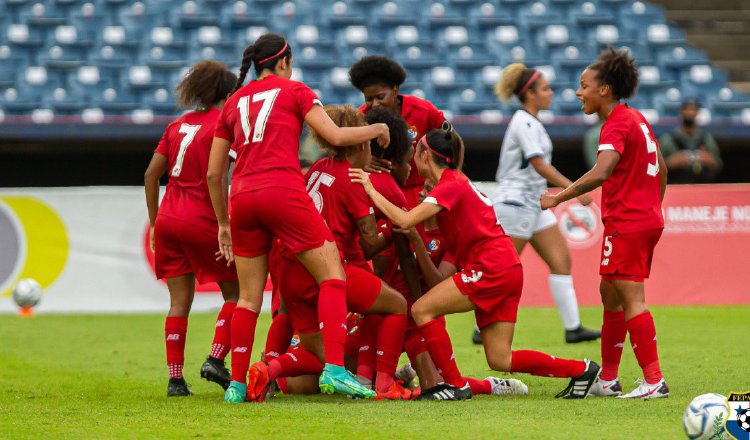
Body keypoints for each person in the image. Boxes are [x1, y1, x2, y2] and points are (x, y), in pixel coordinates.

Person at [351, 128, 600, 401]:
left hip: (490, 266)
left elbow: (406, 220)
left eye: (416, 150)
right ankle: (582, 369)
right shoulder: (457, 182)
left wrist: (370, 188)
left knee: (422, 309)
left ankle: (456, 385)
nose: (412, 157)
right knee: (500, 358)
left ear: (424, 156)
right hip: (507, 268)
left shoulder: (450, 184)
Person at [206, 33, 389, 403]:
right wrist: (377, 129)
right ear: (285, 61)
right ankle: (336, 371)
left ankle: (238, 386)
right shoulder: (295, 91)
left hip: (241, 196)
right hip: (282, 191)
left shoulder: (233, 103)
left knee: (248, 298)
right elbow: (335, 135)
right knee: (332, 274)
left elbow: (213, 174)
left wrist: (223, 223)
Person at [245, 105, 412, 401]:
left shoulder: (319, 168)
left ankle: (268, 369)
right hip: (324, 269)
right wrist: (395, 223)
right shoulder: (353, 179)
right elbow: (371, 242)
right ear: (359, 145)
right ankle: (385, 382)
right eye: (368, 148)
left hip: (291, 267)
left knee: (314, 350)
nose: (371, 156)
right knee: (396, 304)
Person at [541, 48, 670, 399]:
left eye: (584, 85)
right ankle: (609, 379)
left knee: (629, 296)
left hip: (629, 221)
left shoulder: (616, 124)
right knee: (609, 291)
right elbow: (661, 165)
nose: (578, 92)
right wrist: (652, 209)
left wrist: (558, 197)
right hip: (639, 219)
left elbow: (602, 172)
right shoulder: (637, 119)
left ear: (605, 90)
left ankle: (654, 380)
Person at [484, 63, 601, 345]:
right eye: (546, 88)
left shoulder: (532, 122)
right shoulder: (523, 122)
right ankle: (483, 323)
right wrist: (573, 188)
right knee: (503, 270)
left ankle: (573, 328)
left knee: (561, 260)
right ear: (531, 94)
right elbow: (538, 164)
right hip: (515, 202)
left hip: (533, 203)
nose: (551, 93)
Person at [143, 60, 240, 397]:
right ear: (228, 94)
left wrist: (155, 223)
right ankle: (215, 358)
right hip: (203, 220)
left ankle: (175, 380)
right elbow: (221, 175)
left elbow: (151, 175)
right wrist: (224, 223)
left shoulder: (177, 126)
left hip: (169, 219)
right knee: (238, 294)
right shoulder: (223, 126)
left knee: (178, 302)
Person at [349, 55, 448, 208]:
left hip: (421, 192)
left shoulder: (424, 110)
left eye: (380, 97)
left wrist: (444, 176)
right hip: (380, 194)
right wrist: (361, 162)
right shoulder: (359, 119)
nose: (374, 104)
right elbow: (345, 158)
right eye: (369, 99)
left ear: (395, 90)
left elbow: (451, 142)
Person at [659, 98, 722, 183]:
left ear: (697, 112)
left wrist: (708, 159)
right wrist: (670, 162)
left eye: (693, 109)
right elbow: (656, 166)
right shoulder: (668, 139)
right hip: (676, 186)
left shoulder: (706, 138)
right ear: (681, 111)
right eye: (686, 109)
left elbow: (718, 164)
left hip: (702, 185)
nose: (689, 112)